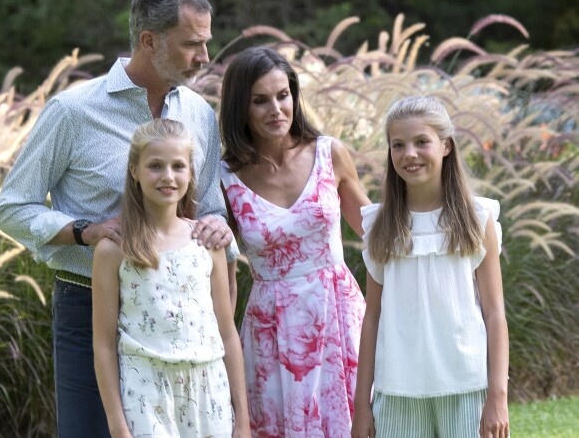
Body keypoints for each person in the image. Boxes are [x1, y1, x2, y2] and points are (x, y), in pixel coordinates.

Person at [0, 0, 238, 437]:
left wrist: (217, 229)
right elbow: (11, 205)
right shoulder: (72, 110)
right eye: (192, 44)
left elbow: (210, 209)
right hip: (88, 303)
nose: (204, 58)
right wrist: (82, 231)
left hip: (181, 314)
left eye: (206, 43)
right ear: (148, 41)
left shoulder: (199, 114)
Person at [219, 46, 371, 436]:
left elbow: (376, 233)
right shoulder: (225, 179)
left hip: (337, 309)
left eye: (283, 95)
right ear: (241, 107)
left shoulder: (329, 153)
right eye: (260, 101)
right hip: (271, 325)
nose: (276, 109)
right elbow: (216, 266)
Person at [351, 95, 509, 438]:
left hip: (466, 386)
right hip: (397, 391)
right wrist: (361, 405)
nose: (409, 153)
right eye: (398, 145)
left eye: (422, 141)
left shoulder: (476, 219)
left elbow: (495, 312)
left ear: (446, 146)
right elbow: (372, 317)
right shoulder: (379, 224)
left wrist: (498, 396)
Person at [92, 118, 250, 437]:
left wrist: (242, 420)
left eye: (178, 166)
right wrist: (117, 425)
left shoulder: (206, 242)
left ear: (191, 172)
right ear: (134, 170)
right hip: (146, 392)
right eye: (155, 166)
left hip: (210, 390)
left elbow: (227, 333)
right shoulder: (115, 249)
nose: (168, 176)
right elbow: (104, 345)